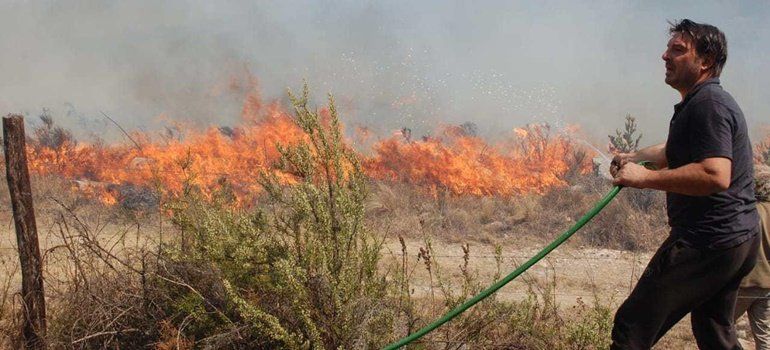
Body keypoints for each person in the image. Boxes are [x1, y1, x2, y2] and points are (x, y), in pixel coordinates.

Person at [609, 19, 760, 349]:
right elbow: (675, 149)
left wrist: (645, 178)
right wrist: (636, 156)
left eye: (677, 50)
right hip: (737, 239)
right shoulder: (704, 101)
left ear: (705, 61)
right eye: (668, 49)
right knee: (713, 328)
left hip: (708, 240)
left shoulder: (708, 106)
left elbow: (715, 174)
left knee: (630, 328)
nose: (665, 56)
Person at [735, 164, 770, 349]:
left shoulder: (749, 212)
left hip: (745, 282)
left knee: (720, 327)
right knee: (763, 336)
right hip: (766, 285)